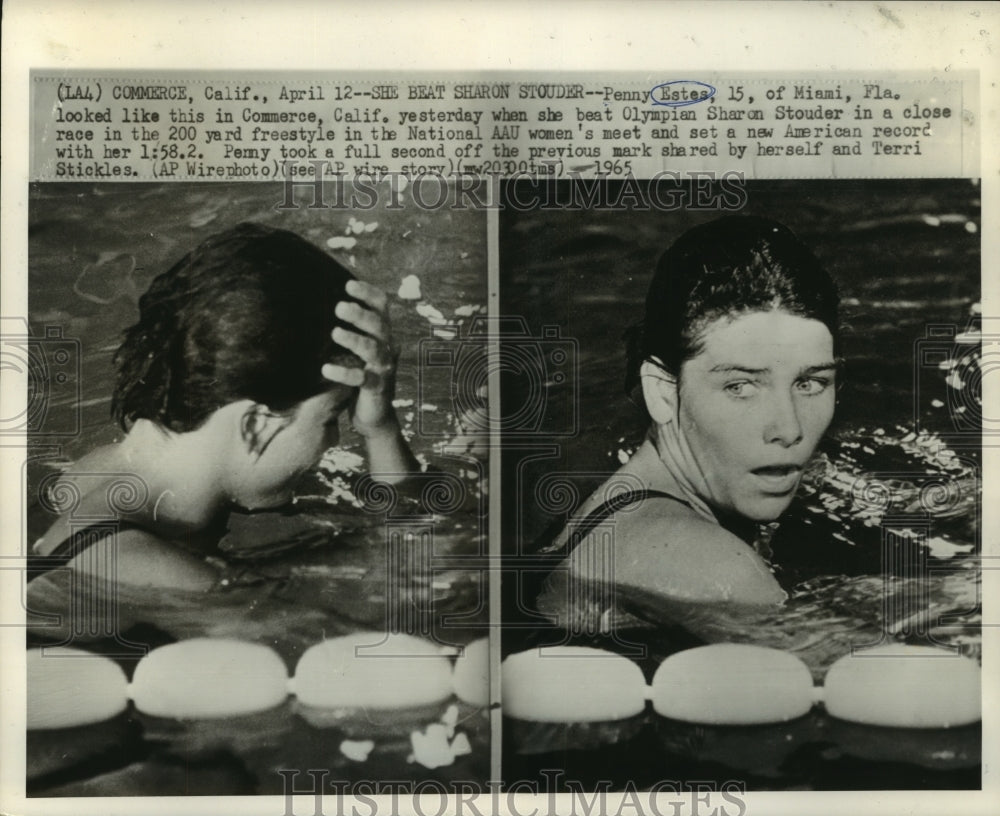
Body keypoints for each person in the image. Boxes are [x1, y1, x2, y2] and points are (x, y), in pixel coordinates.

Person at [29, 222, 420, 591]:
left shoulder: (98, 472)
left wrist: (378, 424)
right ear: (254, 425)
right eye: (331, 418)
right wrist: (381, 433)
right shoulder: (147, 568)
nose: (331, 442)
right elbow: (414, 573)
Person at [535, 215, 841, 634]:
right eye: (740, 386)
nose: (789, 429)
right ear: (662, 392)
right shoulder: (715, 566)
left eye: (810, 383)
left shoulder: (622, 506)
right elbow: (864, 684)